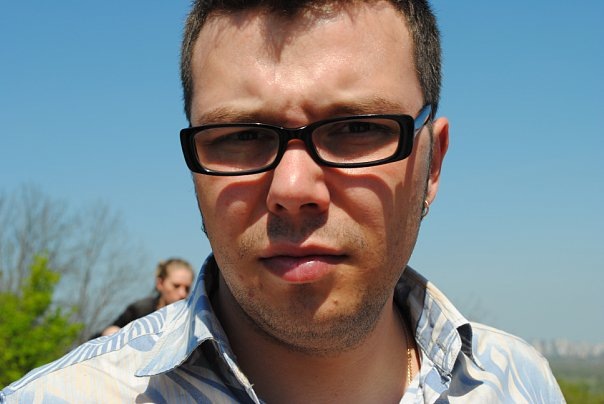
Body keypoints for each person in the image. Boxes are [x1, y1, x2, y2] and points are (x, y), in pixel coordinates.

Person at [1, 1, 565, 403]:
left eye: (356, 128)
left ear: (431, 164)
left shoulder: (519, 382)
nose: (293, 190)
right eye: (241, 136)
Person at [100, 258, 194, 336]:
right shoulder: (140, 310)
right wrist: (110, 333)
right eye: (176, 286)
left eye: (187, 288)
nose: (183, 294)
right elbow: (102, 336)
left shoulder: (192, 319)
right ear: (160, 283)